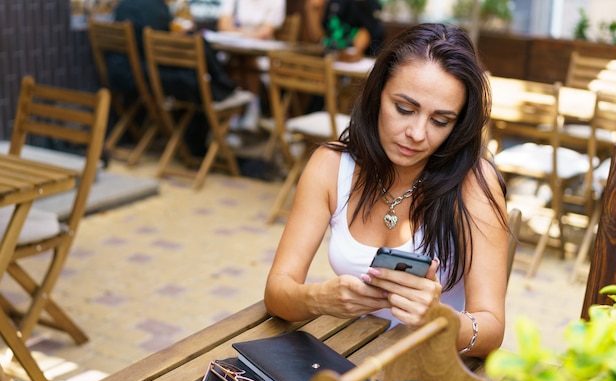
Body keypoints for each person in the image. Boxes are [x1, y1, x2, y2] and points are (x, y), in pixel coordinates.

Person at [264, 23, 509, 358]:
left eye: (440, 121)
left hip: (435, 369)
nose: (417, 133)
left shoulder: (473, 184)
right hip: (357, 358)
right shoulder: (331, 166)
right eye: (404, 109)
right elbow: (277, 291)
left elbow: (492, 330)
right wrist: (320, 298)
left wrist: (439, 319)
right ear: (378, 93)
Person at [109, 0, 237, 157]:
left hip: (119, 73)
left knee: (192, 74)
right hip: (142, 76)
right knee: (195, 79)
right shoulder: (157, 9)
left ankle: (219, 90)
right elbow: (156, 45)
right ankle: (194, 145)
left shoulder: (124, 4)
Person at [216, 0, 286, 131]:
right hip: (231, 50)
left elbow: (266, 32)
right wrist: (247, 36)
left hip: (263, 54)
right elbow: (223, 25)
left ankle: (248, 109)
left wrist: (239, 33)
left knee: (247, 58)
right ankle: (237, 110)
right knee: (235, 59)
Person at [305, 0, 385, 61]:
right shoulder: (335, 3)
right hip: (328, 60)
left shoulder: (370, 7)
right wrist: (312, 10)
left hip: (353, 68)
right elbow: (318, 38)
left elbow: (357, 48)